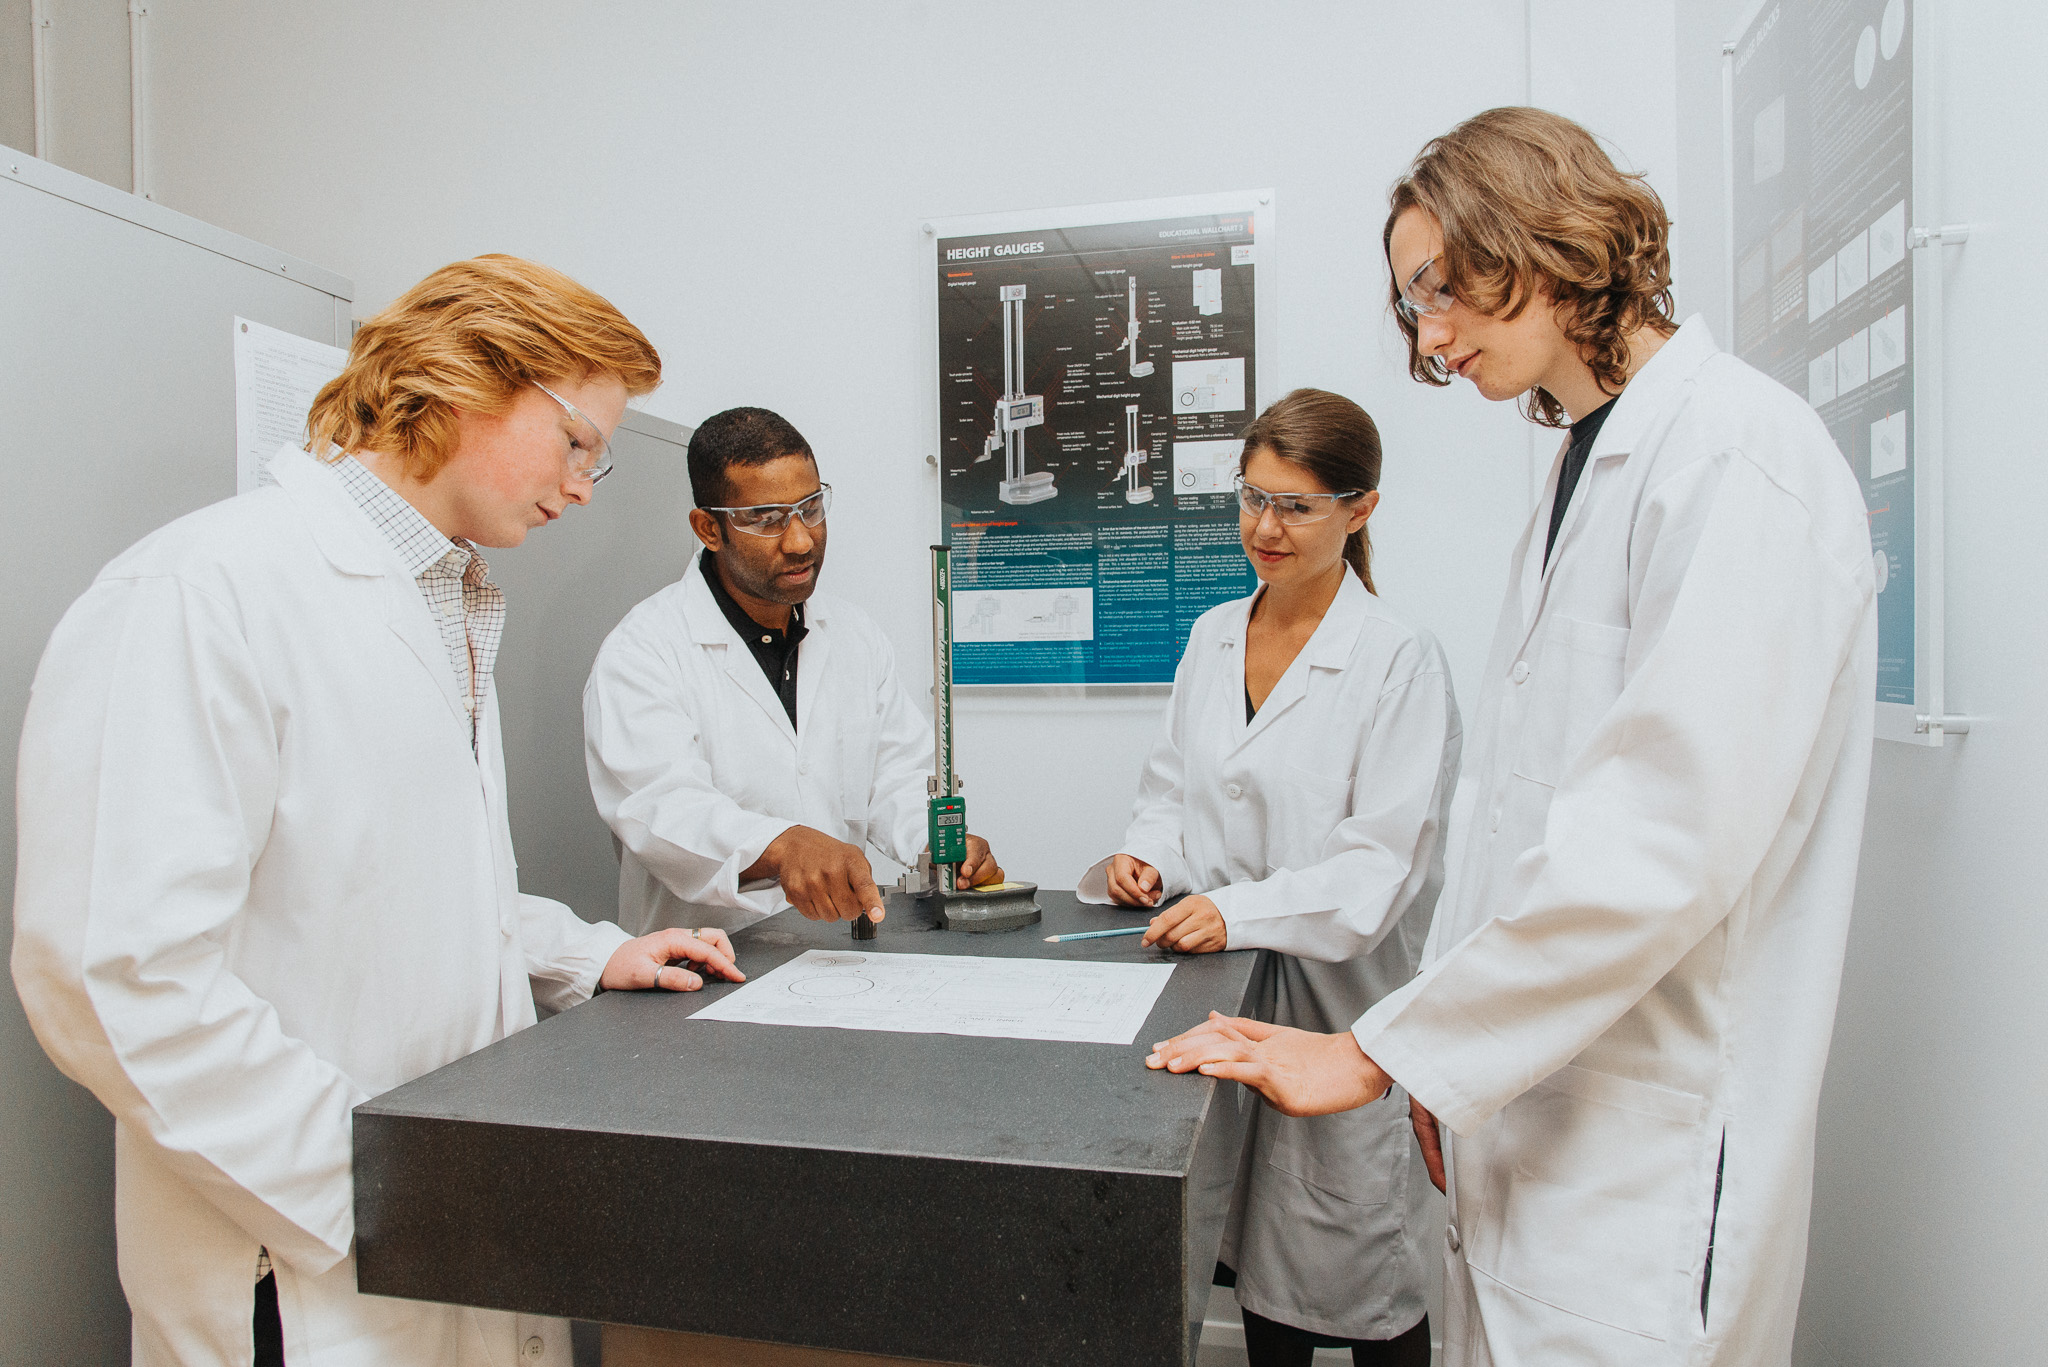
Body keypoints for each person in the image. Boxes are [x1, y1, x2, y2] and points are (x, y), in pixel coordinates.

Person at [1149, 107, 1878, 1367]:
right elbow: (1519, 816)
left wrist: (1396, 1048)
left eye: (1445, 290)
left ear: (1547, 237)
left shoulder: (1736, 459)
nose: (1428, 335)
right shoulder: (1578, 466)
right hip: (1526, 1112)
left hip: (1640, 1153)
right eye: (1410, 302)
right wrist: (1445, 1061)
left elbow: (1659, 845)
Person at [11, 256, 743, 1367]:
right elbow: (112, 968)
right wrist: (366, 1179)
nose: (587, 484)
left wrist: (590, 954)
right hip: (296, 1260)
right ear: (465, 377)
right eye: (578, 441)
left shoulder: (440, 595)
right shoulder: (202, 591)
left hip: (432, 1217)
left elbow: (401, 881)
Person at [1079, 389, 1458, 1366]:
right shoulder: (1211, 634)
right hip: (1218, 994)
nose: (1263, 526)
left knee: (1358, 1269)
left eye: (1294, 504)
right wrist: (1146, 855)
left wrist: (1231, 907)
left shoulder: (1397, 659)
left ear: (1358, 508)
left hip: (1336, 1006)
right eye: (1250, 497)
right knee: (1249, 1264)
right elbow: (1170, 784)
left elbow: (1375, 873)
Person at [584, 406, 1002, 935]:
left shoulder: (855, 636)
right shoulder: (644, 651)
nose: (801, 540)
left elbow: (894, 776)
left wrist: (936, 841)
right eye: (766, 518)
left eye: (811, 507)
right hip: (703, 966)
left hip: (835, 956)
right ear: (708, 528)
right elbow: (660, 810)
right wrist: (783, 846)